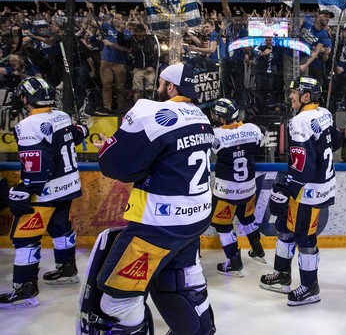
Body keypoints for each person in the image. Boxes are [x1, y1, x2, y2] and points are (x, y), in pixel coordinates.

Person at [89, 63, 216, 333]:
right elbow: (169, 159)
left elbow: (119, 168)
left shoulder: (154, 113)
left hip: (158, 226)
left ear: (171, 87)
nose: (157, 88)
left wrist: (110, 149)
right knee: (183, 282)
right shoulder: (201, 117)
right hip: (195, 218)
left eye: (160, 84)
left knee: (117, 300)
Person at [0, 76, 88, 309]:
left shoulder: (28, 125)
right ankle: (67, 269)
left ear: (25, 98)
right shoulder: (62, 116)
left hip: (46, 192)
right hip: (68, 186)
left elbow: (36, 165)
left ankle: (25, 288)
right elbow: (78, 135)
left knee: (25, 238)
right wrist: (83, 128)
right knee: (60, 227)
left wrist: (24, 190)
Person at [260, 76, 342, 306]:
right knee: (285, 228)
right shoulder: (324, 113)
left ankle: (310, 287)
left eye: (295, 91)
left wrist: (286, 189)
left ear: (307, 96)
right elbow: (336, 142)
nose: (291, 95)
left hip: (308, 190)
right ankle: (283, 275)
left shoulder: (300, 121)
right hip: (319, 186)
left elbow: (303, 167)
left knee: (304, 238)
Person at [209, 98, 266, 276]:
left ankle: (234, 263)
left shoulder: (215, 135)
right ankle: (258, 250)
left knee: (224, 227)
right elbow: (261, 141)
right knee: (247, 219)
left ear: (222, 117)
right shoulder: (252, 129)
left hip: (226, 192)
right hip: (248, 190)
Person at [128, 23, 159, 102]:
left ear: (144, 31)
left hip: (150, 68)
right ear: (134, 32)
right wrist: (120, 32)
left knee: (151, 88)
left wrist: (152, 66)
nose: (140, 37)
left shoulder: (151, 39)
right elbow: (122, 43)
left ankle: (151, 106)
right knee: (137, 89)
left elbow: (157, 54)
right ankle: (137, 107)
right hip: (138, 68)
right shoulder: (132, 39)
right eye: (138, 34)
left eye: (141, 34)